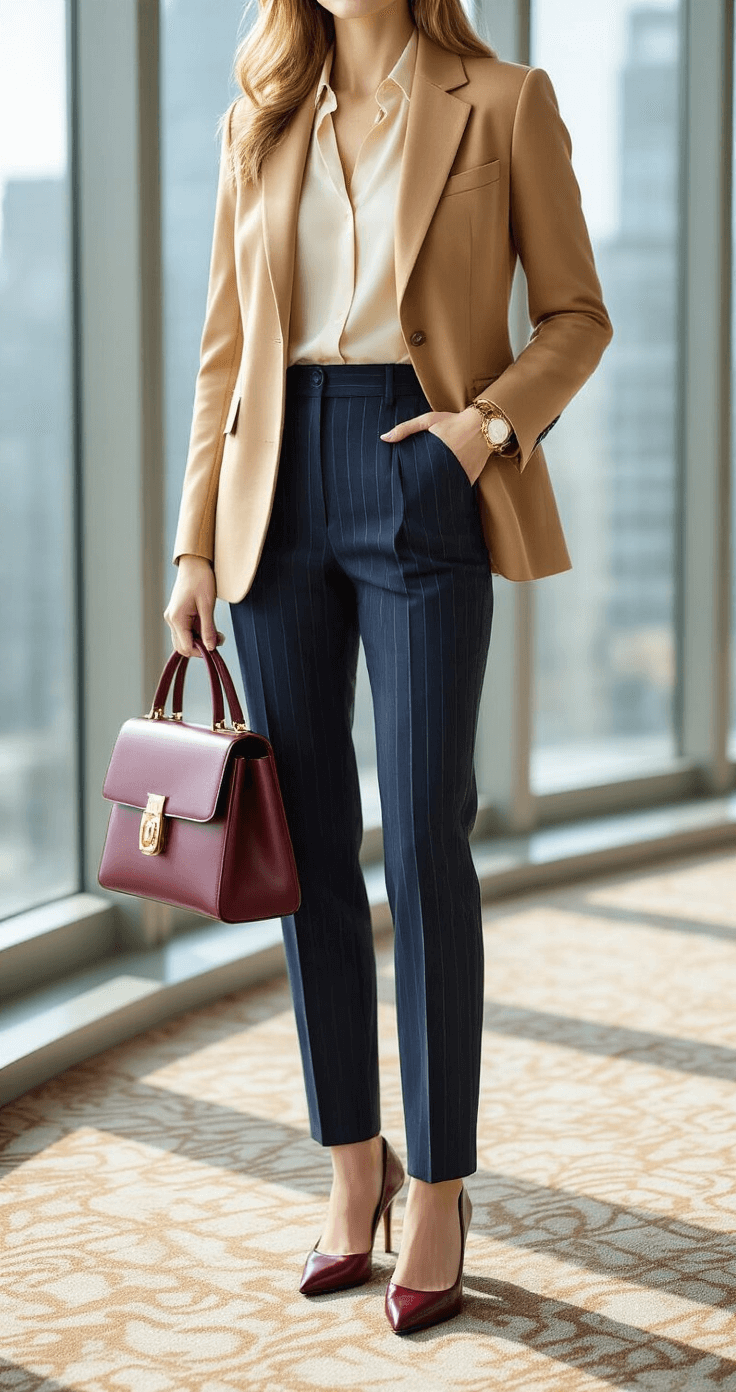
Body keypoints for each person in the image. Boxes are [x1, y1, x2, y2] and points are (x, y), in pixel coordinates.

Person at [164, 0, 613, 1336]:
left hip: (421, 468)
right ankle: (353, 1165)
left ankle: (442, 1187)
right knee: (306, 845)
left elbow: (577, 316)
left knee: (423, 839)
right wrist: (194, 546)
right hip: (274, 493)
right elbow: (225, 352)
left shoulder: (505, 101)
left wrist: (482, 430)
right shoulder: (259, 118)